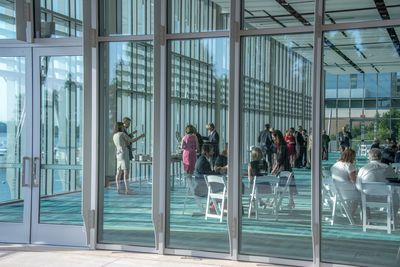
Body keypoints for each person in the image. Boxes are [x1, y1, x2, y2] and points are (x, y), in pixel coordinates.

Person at [356, 148, 399, 215]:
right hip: (386, 198)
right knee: (396, 196)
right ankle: (393, 217)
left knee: (360, 195)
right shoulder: (387, 167)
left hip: (367, 198)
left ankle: (367, 219)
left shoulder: (363, 169)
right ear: (381, 157)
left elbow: (358, 186)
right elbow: (395, 184)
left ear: (369, 157)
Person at [113, 122, 145, 194]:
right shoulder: (122, 134)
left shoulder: (114, 135)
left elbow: (121, 143)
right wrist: (140, 136)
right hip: (124, 153)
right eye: (123, 126)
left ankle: (118, 188)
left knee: (118, 172)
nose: (124, 127)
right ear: (121, 127)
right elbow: (131, 141)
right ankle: (127, 189)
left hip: (118, 154)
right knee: (126, 172)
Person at [330, 148, 360, 217]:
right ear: (351, 156)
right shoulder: (349, 165)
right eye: (354, 156)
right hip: (346, 192)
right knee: (361, 194)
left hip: (335, 191)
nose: (355, 158)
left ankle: (349, 212)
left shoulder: (335, 164)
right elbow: (354, 180)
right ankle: (351, 214)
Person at [271, 129, 297, 208]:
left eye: (273, 137)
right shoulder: (282, 145)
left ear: (277, 136)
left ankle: (275, 201)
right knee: (288, 185)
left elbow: (280, 159)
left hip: (284, 168)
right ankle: (291, 202)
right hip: (286, 167)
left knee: (279, 184)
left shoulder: (281, 146)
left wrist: (274, 169)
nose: (273, 139)